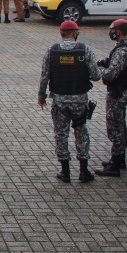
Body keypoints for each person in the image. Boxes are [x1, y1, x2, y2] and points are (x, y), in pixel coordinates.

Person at [38, 20, 102, 183]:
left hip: (59, 101)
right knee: (81, 133)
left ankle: (65, 172)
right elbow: (96, 76)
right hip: (79, 101)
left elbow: (44, 76)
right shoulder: (85, 50)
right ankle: (83, 171)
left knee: (61, 134)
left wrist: (41, 97)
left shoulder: (52, 51)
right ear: (74, 33)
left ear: (61, 34)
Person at [94, 19, 127, 177]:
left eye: (112, 30)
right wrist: (108, 62)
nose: (111, 33)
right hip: (122, 91)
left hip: (118, 93)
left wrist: (100, 68)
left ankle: (115, 164)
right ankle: (119, 159)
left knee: (116, 128)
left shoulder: (122, 51)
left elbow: (111, 74)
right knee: (119, 126)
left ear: (118, 31)